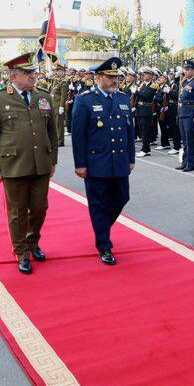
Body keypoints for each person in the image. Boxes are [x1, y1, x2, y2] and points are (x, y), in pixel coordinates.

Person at [0, 52, 58, 275]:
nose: (33, 76)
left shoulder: (44, 97)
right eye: (28, 73)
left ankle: (33, 241)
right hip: (13, 164)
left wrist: (52, 159)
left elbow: (52, 132)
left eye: (33, 72)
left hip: (40, 163)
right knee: (17, 212)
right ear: (14, 76)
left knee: (39, 208)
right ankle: (21, 251)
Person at [71, 56, 135, 266]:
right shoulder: (85, 100)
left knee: (122, 198)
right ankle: (104, 245)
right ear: (98, 78)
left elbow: (129, 131)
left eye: (116, 76)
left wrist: (131, 158)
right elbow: (78, 135)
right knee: (98, 205)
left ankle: (102, 229)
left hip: (119, 161)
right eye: (110, 76)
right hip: (96, 163)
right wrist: (80, 164)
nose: (114, 79)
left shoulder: (123, 99)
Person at [177, 60, 194, 172]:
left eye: (188, 69)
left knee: (190, 140)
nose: (185, 71)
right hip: (182, 113)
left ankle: (190, 163)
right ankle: (184, 162)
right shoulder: (184, 82)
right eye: (185, 69)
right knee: (184, 140)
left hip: (190, 114)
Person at [134, 68, 159, 157]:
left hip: (146, 109)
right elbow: (138, 98)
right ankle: (146, 149)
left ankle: (144, 149)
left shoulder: (153, 86)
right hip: (140, 109)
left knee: (145, 131)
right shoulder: (142, 85)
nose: (144, 75)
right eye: (144, 74)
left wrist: (136, 92)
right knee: (141, 130)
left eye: (147, 74)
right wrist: (135, 106)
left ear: (151, 76)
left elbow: (146, 96)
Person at [50, 66, 69, 147]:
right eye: (56, 71)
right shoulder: (54, 80)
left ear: (63, 72)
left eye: (59, 71)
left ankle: (60, 141)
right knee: (54, 123)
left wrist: (61, 106)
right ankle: (56, 139)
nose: (57, 72)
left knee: (59, 124)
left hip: (58, 105)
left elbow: (63, 95)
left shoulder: (64, 82)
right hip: (53, 104)